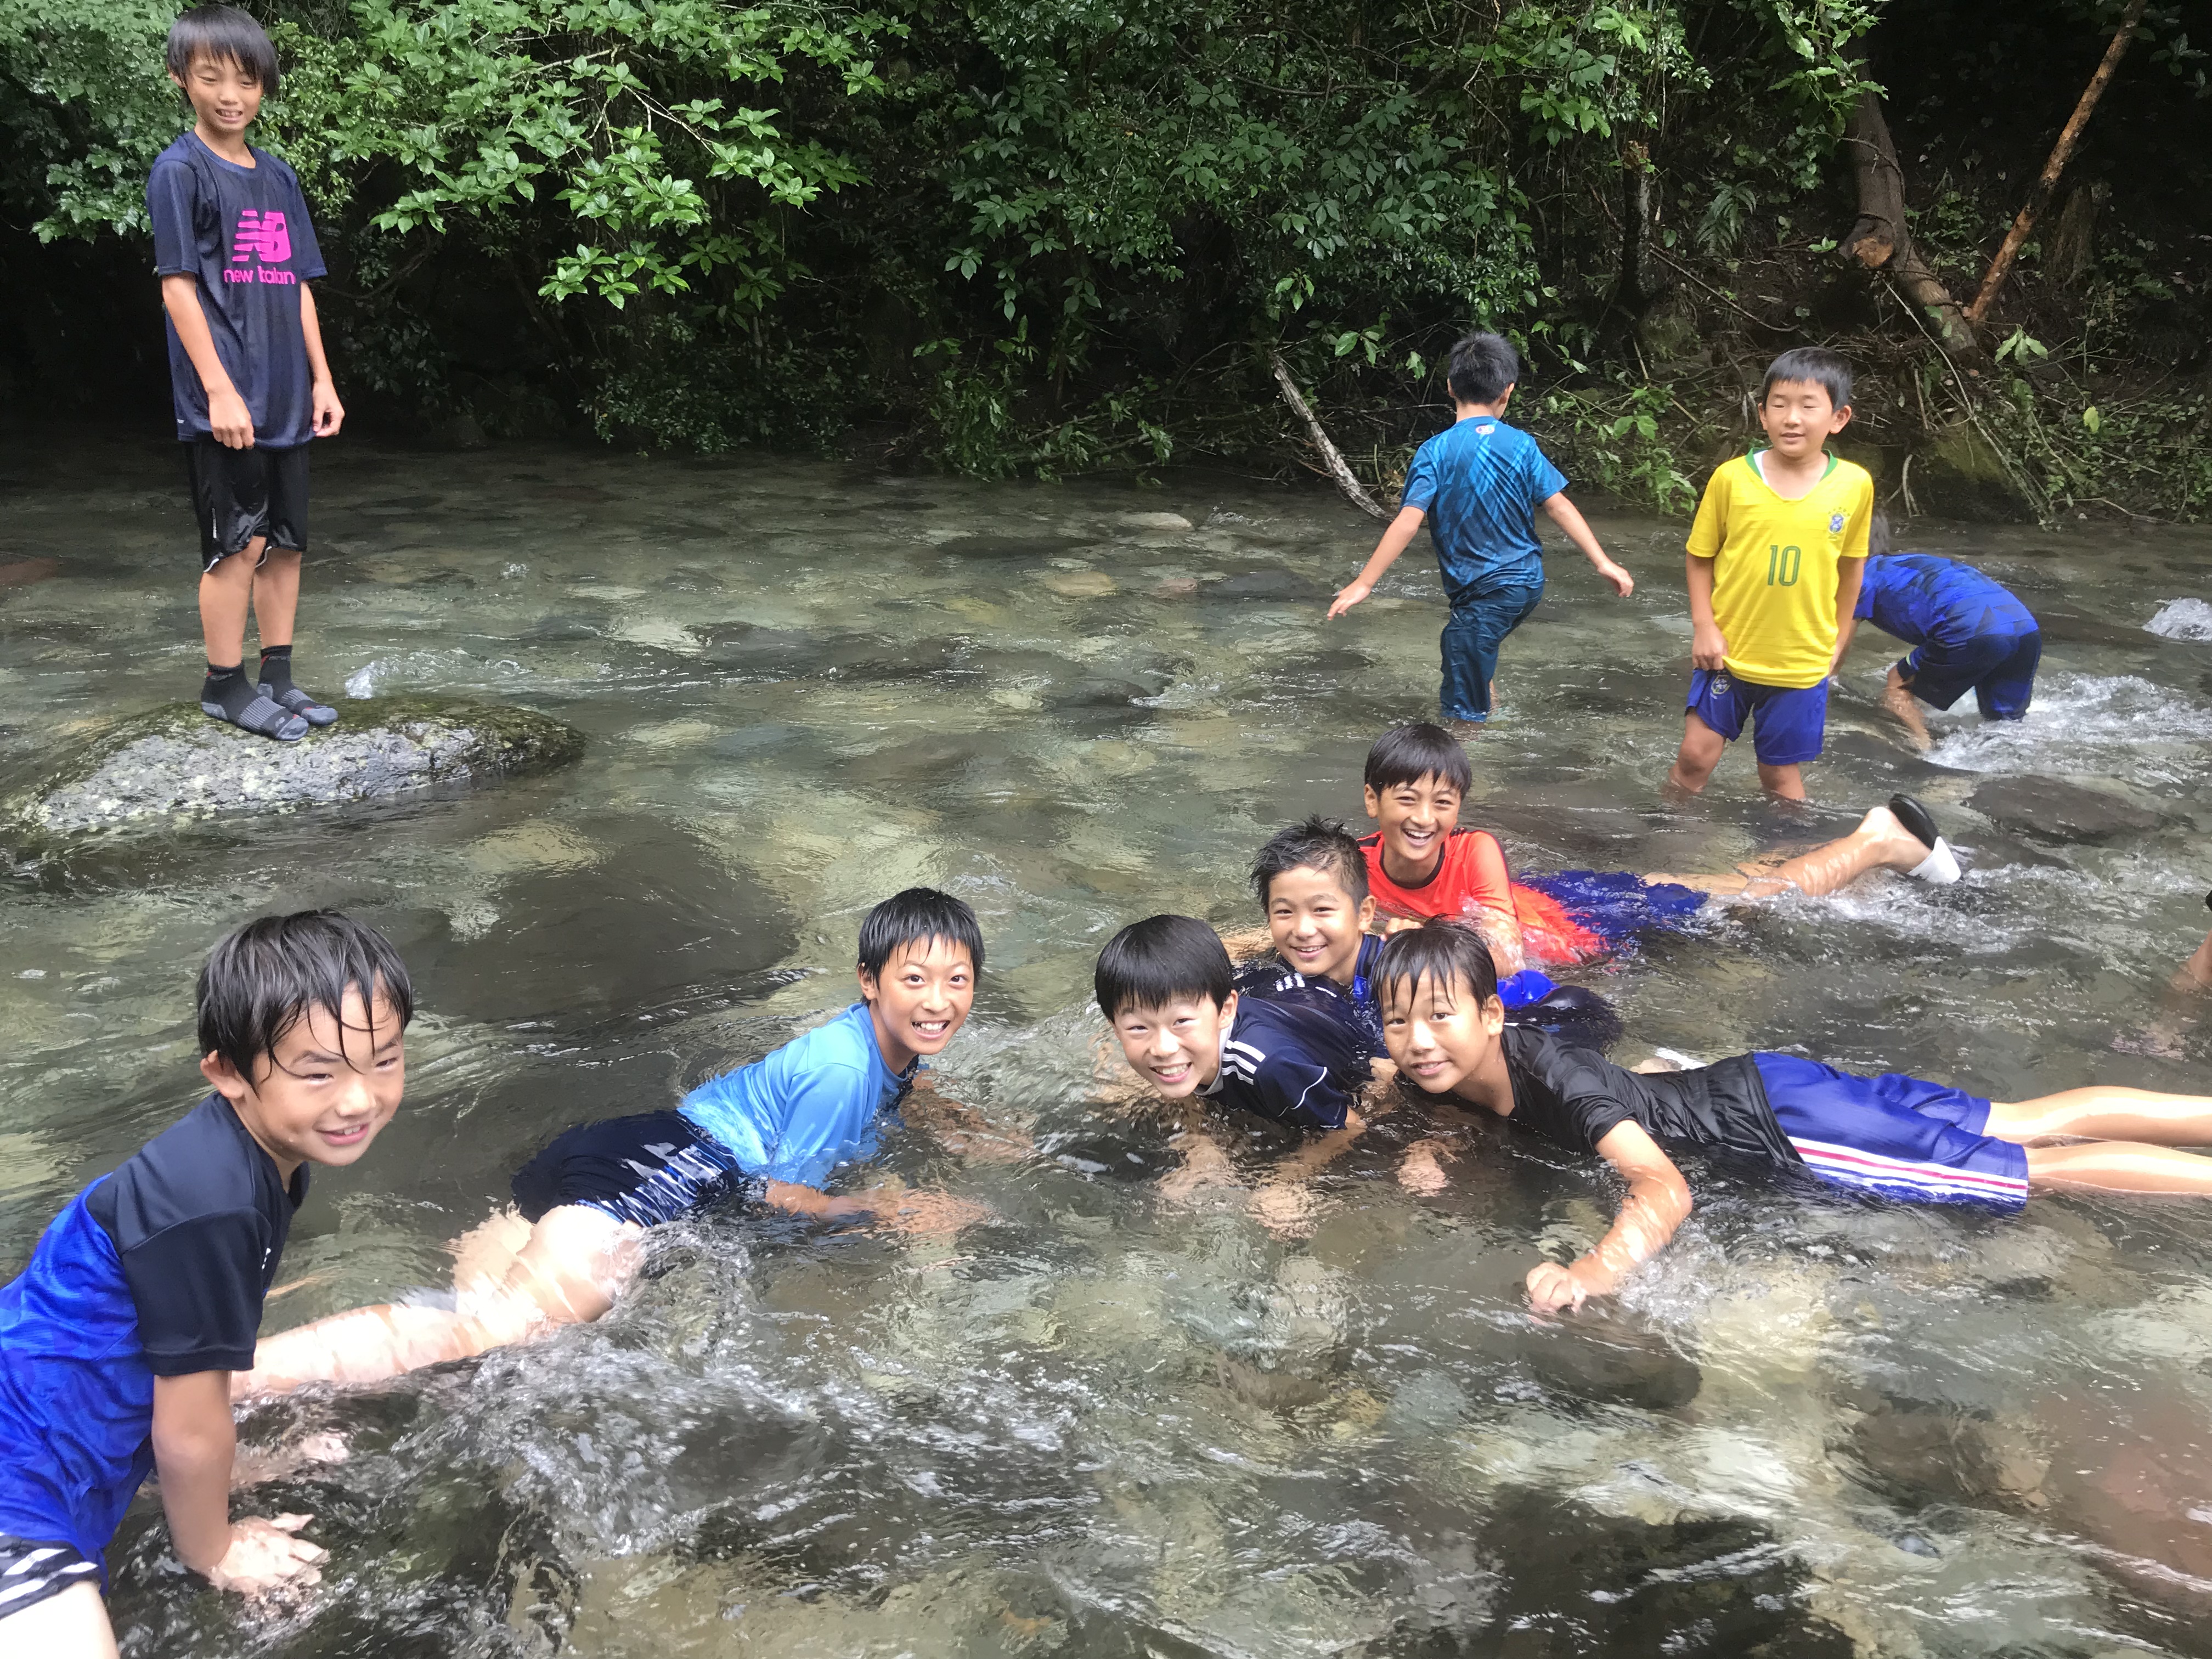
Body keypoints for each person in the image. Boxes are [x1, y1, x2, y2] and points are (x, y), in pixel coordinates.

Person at [232, 890, 991, 1397]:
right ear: (869, 980)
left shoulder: (878, 1047)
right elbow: (778, 1197)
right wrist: (887, 1212)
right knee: (482, 1337)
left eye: (956, 982)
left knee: (478, 1329)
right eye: (916, 979)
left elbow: (900, 1084)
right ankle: (229, 1384)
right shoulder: (843, 1075)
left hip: (626, 1147)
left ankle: (263, 1411)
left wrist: (950, 1120)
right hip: (663, 1185)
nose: (937, 1000)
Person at [1376, 921, 2212, 1314]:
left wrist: (1593, 1272)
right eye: (1398, 1022)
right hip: (1768, 1086)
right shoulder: (1437, 1073)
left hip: (1785, 1127)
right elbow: (1418, 1086)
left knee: (2032, 1175)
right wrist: (1435, 1142)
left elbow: (1661, 1187)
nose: (1418, 1042)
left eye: (1440, 1017)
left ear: (1492, 1015)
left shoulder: (1550, 1073)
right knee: (2020, 1120)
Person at [0, 912, 411, 1656]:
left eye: (384, 1060)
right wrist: (213, 1547)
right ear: (227, 1074)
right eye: (319, 1072)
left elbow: (171, 1350)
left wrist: (228, 1468)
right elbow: (189, 1431)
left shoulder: (247, 1163)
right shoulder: (213, 1203)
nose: (358, 1099)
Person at [1356, 721, 1960, 973]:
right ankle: (1853, 851)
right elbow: (1303, 921)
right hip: (1551, 899)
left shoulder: (1474, 848)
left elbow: (1507, 954)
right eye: (1406, 800)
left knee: (1751, 899)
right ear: (1372, 801)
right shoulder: (1349, 864)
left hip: (1584, 923)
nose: (1425, 818)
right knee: (1719, 884)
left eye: (1443, 803)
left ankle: (1876, 841)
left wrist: (1392, 928)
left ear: (1459, 808)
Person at [151, 6, 345, 743]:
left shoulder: (279, 177)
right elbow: (177, 287)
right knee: (239, 542)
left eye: (246, 79)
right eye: (211, 77)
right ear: (182, 80)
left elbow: (298, 285)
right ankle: (223, 685)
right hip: (226, 397)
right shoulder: (181, 171)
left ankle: (279, 676)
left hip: (289, 392)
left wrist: (322, 381)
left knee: (287, 540)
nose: (231, 94)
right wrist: (220, 390)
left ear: (262, 85)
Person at [1325, 331, 1634, 726]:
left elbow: (1407, 521)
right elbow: (1559, 506)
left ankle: (1473, 765)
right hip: (1525, 584)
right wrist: (1603, 562)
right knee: (1474, 656)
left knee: (1460, 698)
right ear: (1507, 392)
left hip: (1485, 592)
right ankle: (1492, 717)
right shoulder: (1521, 445)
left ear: (1450, 387)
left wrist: (1364, 584)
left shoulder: (1434, 452)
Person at [1667, 347, 1874, 800]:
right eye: (1779, 405)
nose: (1792, 418)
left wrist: (1839, 641)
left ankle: (1784, 861)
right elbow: (1700, 556)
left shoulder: (1855, 485)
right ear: (1762, 415)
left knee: (1779, 777)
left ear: (1839, 418)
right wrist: (1704, 627)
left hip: (1801, 662)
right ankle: (1665, 849)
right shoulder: (1731, 479)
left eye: (1807, 406)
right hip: (1729, 651)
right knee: (1694, 759)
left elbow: (1852, 567)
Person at [1234, 814, 1620, 1052]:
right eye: (1284, 912)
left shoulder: (1406, 968)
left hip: (1567, 982)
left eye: (1322, 910)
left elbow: (1565, 1005)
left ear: (1365, 913)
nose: (1303, 930)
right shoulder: (1274, 970)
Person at [1833, 508, 2042, 749]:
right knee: (2005, 724)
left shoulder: (1859, 579)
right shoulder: (1912, 563)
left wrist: (1824, 686)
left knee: (1898, 682)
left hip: (1972, 629)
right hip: (2024, 625)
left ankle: (1924, 751)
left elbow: (1837, 651)